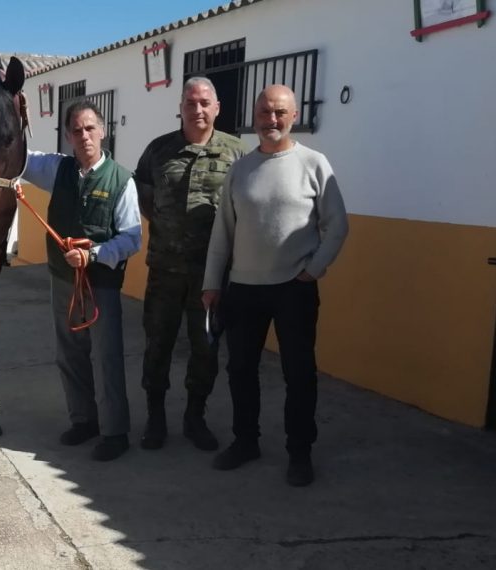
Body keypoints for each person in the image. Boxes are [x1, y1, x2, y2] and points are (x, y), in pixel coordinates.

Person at [201, 85, 349, 487]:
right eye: (265, 112)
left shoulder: (314, 164)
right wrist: (212, 284)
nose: (272, 120)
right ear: (255, 115)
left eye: (280, 112)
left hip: (293, 289)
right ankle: (245, 441)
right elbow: (223, 234)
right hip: (243, 288)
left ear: (294, 115)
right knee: (241, 370)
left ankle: (299, 452)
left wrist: (313, 270)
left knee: (299, 373)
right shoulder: (241, 169)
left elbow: (337, 225)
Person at [20, 100, 142, 461]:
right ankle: (83, 420)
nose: (84, 135)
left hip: (100, 283)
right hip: (63, 281)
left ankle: (115, 431)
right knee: (70, 355)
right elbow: (19, 157)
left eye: (90, 128)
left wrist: (94, 255)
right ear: (69, 137)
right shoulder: (57, 169)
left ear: (103, 132)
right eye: (76, 130)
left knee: (106, 357)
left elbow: (132, 239)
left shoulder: (121, 180)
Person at [133, 76, 248, 452]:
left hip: (211, 278)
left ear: (217, 108)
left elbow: (244, 211)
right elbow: (145, 200)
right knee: (157, 346)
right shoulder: (158, 151)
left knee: (206, 350)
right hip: (164, 273)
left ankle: (195, 417)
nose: (197, 110)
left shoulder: (237, 153)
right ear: (180, 108)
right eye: (189, 103)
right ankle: (155, 417)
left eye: (204, 103)